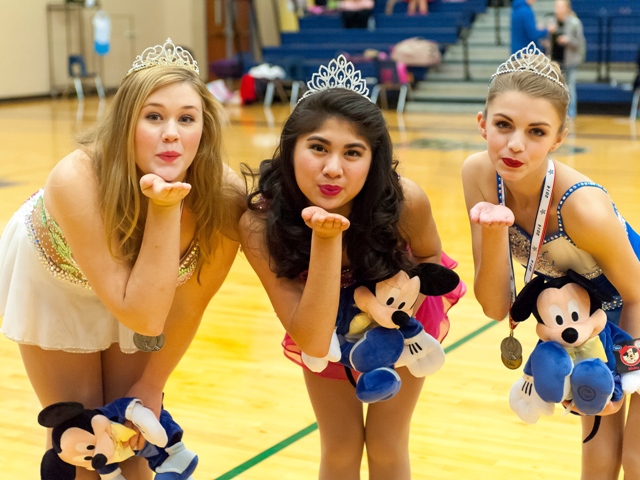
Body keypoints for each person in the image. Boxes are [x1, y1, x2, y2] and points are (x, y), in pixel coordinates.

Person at [0, 38, 244, 479]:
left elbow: (188, 306)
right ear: (125, 125)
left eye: (186, 119)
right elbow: (146, 317)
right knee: (85, 439)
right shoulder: (76, 178)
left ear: (203, 129)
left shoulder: (222, 194)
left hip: (138, 295)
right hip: (56, 281)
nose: (171, 132)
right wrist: (166, 209)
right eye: (154, 117)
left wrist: (152, 385)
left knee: (130, 439)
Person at [239, 55, 464, 479]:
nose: (332, 169)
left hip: (393, 327)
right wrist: (325, 240)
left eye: (353, 152)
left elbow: (431, 255)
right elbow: (310, 335)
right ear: (291, 148)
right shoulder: (259, 222)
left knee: (386, 444)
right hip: (318, 325)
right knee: (340, 447)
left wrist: (403, 309)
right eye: (318, 147)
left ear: (373, 158)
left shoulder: (404, 201)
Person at [461, 42, 640, 479]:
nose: (515, 144)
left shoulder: (582, 208)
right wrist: (494, 231)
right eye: (503, 125)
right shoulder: (478, 174)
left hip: (635, 304)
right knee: (597, 453)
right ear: (483, 124)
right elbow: (493, 306)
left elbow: (636, 294)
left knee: (637, 456)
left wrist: (621, 372)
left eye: (537, 132)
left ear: (559, 138)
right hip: (587, 314)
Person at [548, 0, 585, 119]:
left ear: (567, 8)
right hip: (555, 61)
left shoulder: (575, 23)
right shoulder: (551, 22)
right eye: (556, 7)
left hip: (570, 61)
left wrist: (567, 40)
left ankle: (571, 114)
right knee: (555, 88)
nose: (557, 10)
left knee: (570, 87)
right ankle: (556, 113)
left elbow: (580, 43)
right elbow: (545, 42)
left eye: (560, 7)